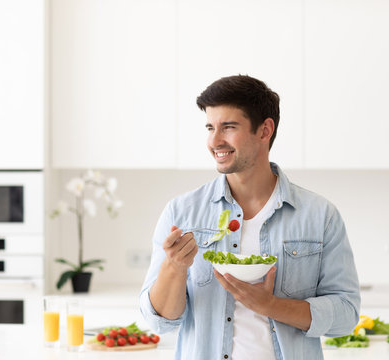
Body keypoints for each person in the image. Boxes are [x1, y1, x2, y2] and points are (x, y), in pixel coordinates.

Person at [140, 75, 360, 360]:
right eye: (210, 128)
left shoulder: (319, 215)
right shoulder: (182, 213)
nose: (214, 141)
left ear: (264, 130)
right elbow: (160, 321)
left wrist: (271, 305)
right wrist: (174, 266)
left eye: (228, 127)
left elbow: (346, 313)